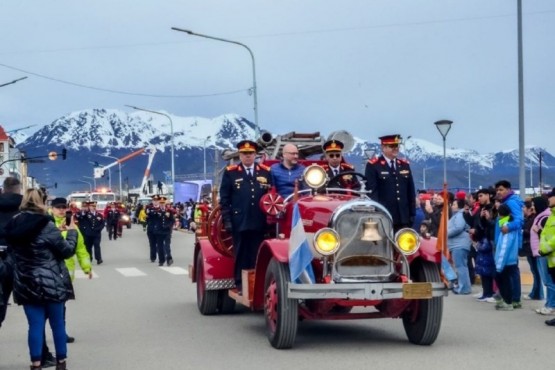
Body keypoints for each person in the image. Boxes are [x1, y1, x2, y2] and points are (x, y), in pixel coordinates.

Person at [5, 188, 77, 370]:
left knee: (34, 326)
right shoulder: (46, 224)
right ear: (41, 202)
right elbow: (67, 251)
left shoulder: (13, 224)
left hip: (25, 283)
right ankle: (61, 363)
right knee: (57, 324)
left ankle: (36, 364)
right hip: (51, 282)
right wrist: (71, 232)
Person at [220, 140, 272, 291]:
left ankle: (258, 284)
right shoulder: (231, 172)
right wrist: (227, 220)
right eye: (244, 154)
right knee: (241, 253)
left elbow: (271, 196)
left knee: (258, 253)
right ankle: (241, 283)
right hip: (239, 220)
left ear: (255, 155)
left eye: (250, 154)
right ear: (240, 155)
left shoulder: (265, 171)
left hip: (259, 220)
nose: (248, 157)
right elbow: (225, 199)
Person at [50, 197, 93, 344]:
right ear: (52, 208)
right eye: (58, 207)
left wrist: (86, 268)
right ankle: (43, 335)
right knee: (46, 307)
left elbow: (80, 248)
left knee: (61, 305)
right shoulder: (47, 223)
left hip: (65, 273)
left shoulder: (71, 225)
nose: (61, 210)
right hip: (49, 270)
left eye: (64, 207)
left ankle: (61, 333)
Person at [365, 134, 416, 232]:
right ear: (383, 147)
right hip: (384, 215)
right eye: (391, 146)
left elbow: (410, 191)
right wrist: (376, 213)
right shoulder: (374, 165)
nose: (395, 149)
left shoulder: (404, 165)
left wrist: (412, 214)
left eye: (396, 146)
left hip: (403, 217)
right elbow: (372, 192)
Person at [495, 180, 524, 309]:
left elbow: (519, 220)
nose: (498, 192)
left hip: (509, 243)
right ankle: (511, 298)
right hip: (504, 240)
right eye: (497, 190)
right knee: (510, 272)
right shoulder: (506, 202)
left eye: (501, 189)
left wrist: (510, 227)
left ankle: (513, 299)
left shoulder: (511, 202)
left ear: (508, 189)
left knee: (510, 271)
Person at [0, 177, 22, 329]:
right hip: (20, 258)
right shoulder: (26, 206)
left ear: (3, 189)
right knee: (33, 307)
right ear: (19, 189)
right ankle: (41, 349)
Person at [494, 204, 520, 311]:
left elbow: (505, 246)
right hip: (510, 259)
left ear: (500, 214)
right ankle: (507, 301)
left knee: (503, 281)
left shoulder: (506, 226)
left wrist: (499, 264)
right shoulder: (508, 224)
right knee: (505, 280)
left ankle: (508, 302)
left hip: (506, 260)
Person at [447, 198, 472, 295]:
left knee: (461, 267)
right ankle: (464, 286)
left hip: (459, 244)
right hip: (457, 244)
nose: (452, 206)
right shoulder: (458, 215)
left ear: (459, 206)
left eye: (454, 204)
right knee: (461, 266)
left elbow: (458, 228)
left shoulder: (460, 215)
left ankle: (464, 288)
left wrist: (446, 233)